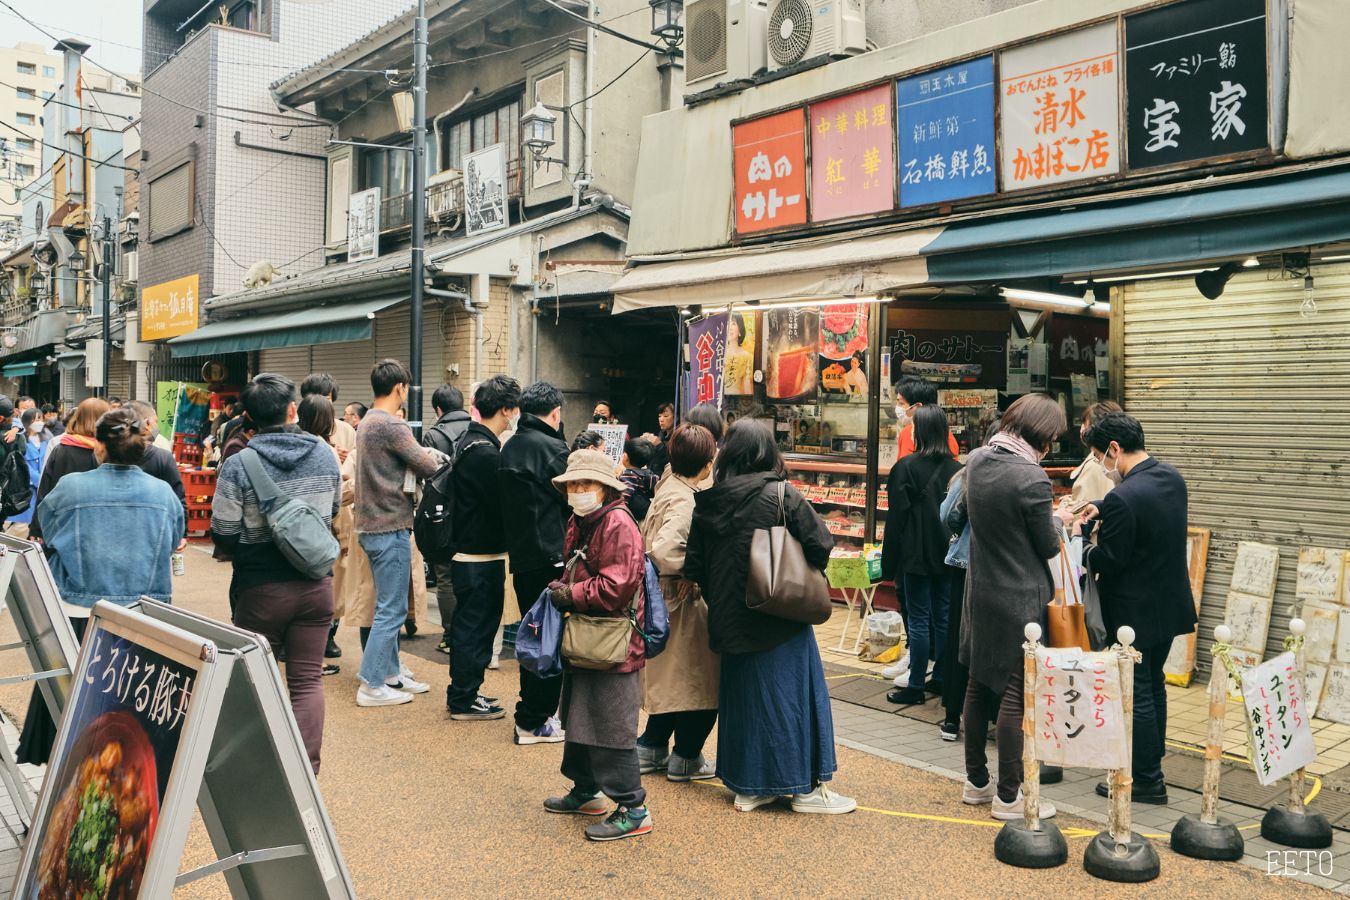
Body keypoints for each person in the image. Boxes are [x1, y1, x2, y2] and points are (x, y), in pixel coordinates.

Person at [685, 420, 854, 814]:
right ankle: (803, 791)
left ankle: (750, 787)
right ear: (767, 453)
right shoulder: (781, 495)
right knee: (790, 702)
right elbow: (821, 544)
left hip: (728, 619)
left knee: (744, 702)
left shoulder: (708, 500)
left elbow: (694, 567)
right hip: (781, 618)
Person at [19, 408, 184, 765]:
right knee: (128, 724)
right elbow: (174, 540)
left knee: (68, 711)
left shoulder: (72, 488)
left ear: (99, 447)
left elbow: (48, 530)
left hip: (78, 612)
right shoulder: (162, 495)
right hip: (142, 616)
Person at [211, 375, 341, 773]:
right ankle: (303, 771)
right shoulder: (323, 453)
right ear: (291, 409)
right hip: (316, 585)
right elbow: (332, 511)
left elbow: (224, 530)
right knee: (306, 682)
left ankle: (257, 769)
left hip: (260, 589)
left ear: (248, 416)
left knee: (253, 682)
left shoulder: (237, 464)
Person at [960, 393, 1069, 822]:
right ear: (1041, 434)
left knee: (976, 683)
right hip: (1020, 596)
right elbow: (1045, 543)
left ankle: (976, 782)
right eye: (1053, 437)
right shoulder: (1032, 479)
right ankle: (1009, 796)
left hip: (980, 588)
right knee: (1014, 694)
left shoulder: (978, 461)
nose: (1052, 446)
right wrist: (1061, 520)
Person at [1083, 412, 1195, 806]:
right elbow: (1144, 514)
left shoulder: (1123, 497)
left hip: (1132, 612)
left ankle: (1145, 779)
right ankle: (1152, 764)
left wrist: (1084, 548)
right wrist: (1102, 505)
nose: (1101, 465)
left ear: (1114, 448)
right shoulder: (1171, 479)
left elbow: (1110, 559)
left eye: (1099, 455)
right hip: (1169, 605)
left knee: (1139, 692)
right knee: (1155, 685)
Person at [542, 448, 652, 841]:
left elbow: (617, 586)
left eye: (586, 483)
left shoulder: (618, 523)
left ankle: (633, 808)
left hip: (613, 641)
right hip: (589, 637)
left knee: (611, 725)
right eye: (573, 483)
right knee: (577, 714)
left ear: (606, 488)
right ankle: (586, 790)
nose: (578, 489)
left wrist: (570, 593)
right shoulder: (583, 519)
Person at [353, 360, 441, 708]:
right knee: (392, 609)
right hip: (390, 524)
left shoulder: (366, 422)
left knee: (386, 606)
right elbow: (428, 465)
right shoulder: (391, 424)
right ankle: (372, 684)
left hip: (371, 524)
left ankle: (389, 673)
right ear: (401, 388)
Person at [638, 424, 720, 782]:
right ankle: (686, 756)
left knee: (671, 680)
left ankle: (652, 747)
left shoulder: (669, 485)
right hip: (681, 600)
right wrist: (696, 571)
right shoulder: (686, 499)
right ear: (705, 464)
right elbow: (668, 548)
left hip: (661, 597)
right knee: (698, 682)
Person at [499, 380, 570, 744]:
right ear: (555, 413)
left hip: (523, 557)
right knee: (551, 640)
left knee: (534, 634)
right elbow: (574, 500)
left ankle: (532, 713)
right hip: (553, 557)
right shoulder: (554, 449)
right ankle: (534, 719)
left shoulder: (509, 447)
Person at [446, 375, 520, 721]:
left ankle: (466, 692)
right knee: (475, 628)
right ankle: (463, 698)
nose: (515, 414)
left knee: (470, 626)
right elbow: (500, 507)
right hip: (480, 555)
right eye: (513, 407)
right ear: (505, 408)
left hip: (469, 553)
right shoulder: (487, 453)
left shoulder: (470, 441)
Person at [881, 406, 963, 706]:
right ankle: (940, 677)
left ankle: (915, 685)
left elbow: (896, 519)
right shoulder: (957, 470)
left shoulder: (905, 467)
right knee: (942, 616)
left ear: (920, 432)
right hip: (948, 553)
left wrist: (887, 563)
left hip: (916, 553)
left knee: (917, 619)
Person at [304, 373, 360, 661]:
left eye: (330, 400)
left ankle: (329, 633)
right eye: (322, 400)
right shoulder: (298, 431)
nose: (328, 408)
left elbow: (353, 461)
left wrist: (343, 460)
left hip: (340, 511)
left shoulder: (345, 429)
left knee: (338, 576)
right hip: (313, 514)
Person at [420, 384, 473, 653]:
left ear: (438, 409)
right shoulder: (476, 429)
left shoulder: (433, 435)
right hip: (472, 513)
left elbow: (430, 479)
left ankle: (450, 635)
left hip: (443, 516)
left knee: (445, 576)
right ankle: (468, 632)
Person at [298, 395, 348, 677]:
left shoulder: (292, 443)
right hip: (318, 534)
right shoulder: (325, 451)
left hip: (289, 533)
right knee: (316, 600)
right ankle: (313, 661)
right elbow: (335, 503)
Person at [29, 397, 108, 542]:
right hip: (100, 527)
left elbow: (45, 490)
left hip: (62, 527)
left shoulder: (62, 449)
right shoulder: (110, 451)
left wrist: (37, 528)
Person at [126, 401, 188, 534]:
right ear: (147, 423)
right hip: (155, 530)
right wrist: (182, 533)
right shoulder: (162, 458)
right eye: (155, 422)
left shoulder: (110, 455)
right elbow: (178, 499)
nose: (156, 426)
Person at [1067, 400, 1123, 508]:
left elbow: (1084, 510)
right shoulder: (1114, 460)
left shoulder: (1096, 464)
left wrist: (1066, 505)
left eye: (1086, 424)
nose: (1082, 429)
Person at [6, 408, 51, 536]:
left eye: (40, 419)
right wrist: (40, 479)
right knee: (21, 526)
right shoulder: (20, 439)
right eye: (36, 419)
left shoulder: (45, 439)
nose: (39, 422)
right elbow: (22, 463)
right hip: (25, 489)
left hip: (41, 490)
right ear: (27, 421)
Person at [894, 376, 959, 458]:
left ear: (917, 406)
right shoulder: (946, 434)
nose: (897, 407)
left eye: (901, 403)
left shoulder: (908, 433)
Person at [619, 438, 658, 521]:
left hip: (631, 517)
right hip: (645, 515)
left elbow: (623, 499)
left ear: (625, 457)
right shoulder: (649, 474)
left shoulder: (628, 475)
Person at [723, 313, 754, 396]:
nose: (729, 328)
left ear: (740, 330)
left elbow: (747, 385)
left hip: (738, 401)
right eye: (727, 324)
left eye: (733, 323)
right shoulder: (720, 355)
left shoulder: (747, 356)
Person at [648, 402, 676, 476]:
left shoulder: (679, 436)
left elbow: (674, 462)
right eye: (659, 416)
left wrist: (659, 445)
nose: (661, 419)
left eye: (666, 416)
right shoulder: (661, 434)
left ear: (676, 417)